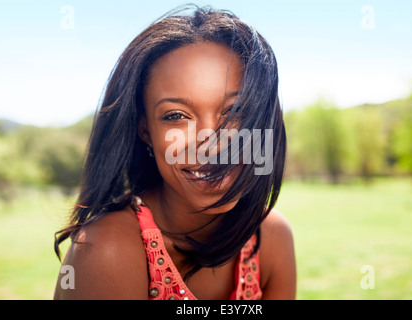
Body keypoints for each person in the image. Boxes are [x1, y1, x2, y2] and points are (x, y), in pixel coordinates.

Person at [53, 5, 296, 300]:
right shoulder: (106, 250)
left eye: (235, 111)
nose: (212, 145)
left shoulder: (271, 236)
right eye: (176, 116)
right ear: (145, 131)